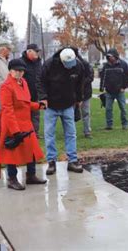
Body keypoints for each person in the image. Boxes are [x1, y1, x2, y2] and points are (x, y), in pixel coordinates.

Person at [0, 59, 47, 190]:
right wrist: (15, 131)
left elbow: (25, 103)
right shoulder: (6, 87)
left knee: (32, 149)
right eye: (16, 70)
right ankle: (11, 178)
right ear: (10, 71)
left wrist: (38, 106)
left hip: (25, 122)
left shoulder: (23, 83)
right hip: (11, 123)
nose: (19, 73)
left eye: (21, 71)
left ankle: (31, 175)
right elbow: (7, 110)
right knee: (12, 151)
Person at [38, 47, 85, 175]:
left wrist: (79, 98)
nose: (70, 67)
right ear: (61, 60)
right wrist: (43, 98)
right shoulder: (49, 65)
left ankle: (72, 161)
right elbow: (41, 82)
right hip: (51, 105)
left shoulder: (78, 65)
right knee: (49, 134)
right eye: (67, 65)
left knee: (71, 133)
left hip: (68, 104)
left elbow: (80, 83)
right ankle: (51, 161)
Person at [99, 48, 128, 130]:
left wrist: (124, 87)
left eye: (111, 56)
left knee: (123, 108)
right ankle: (109, 125)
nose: (109, 58)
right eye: (108, 56)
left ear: (115, 56)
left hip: (120, 91)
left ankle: (125, 124)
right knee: (108, 109)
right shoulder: (106, 66)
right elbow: (103, 77)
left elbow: (127, 76)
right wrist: (102, 88)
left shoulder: (123, 64)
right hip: (109, 91)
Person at [18, 43, 43, 135]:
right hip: (23, 96)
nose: (37, 53)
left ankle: (35, 133)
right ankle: (25, 133)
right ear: (29, 51)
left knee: (35, 115)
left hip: (36, 94)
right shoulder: (21, 62)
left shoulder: (39, 62)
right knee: (25, 115)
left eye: (38, 51)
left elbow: (41, 77)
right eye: (36, 51)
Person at [80, 54, 94, 138]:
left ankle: (87, 131)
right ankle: (70, 132)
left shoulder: (86, 65)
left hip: (86, 93)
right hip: (74, 94)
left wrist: (82, 83)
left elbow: (90, 77)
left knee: (86, 113)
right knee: (71, 114)